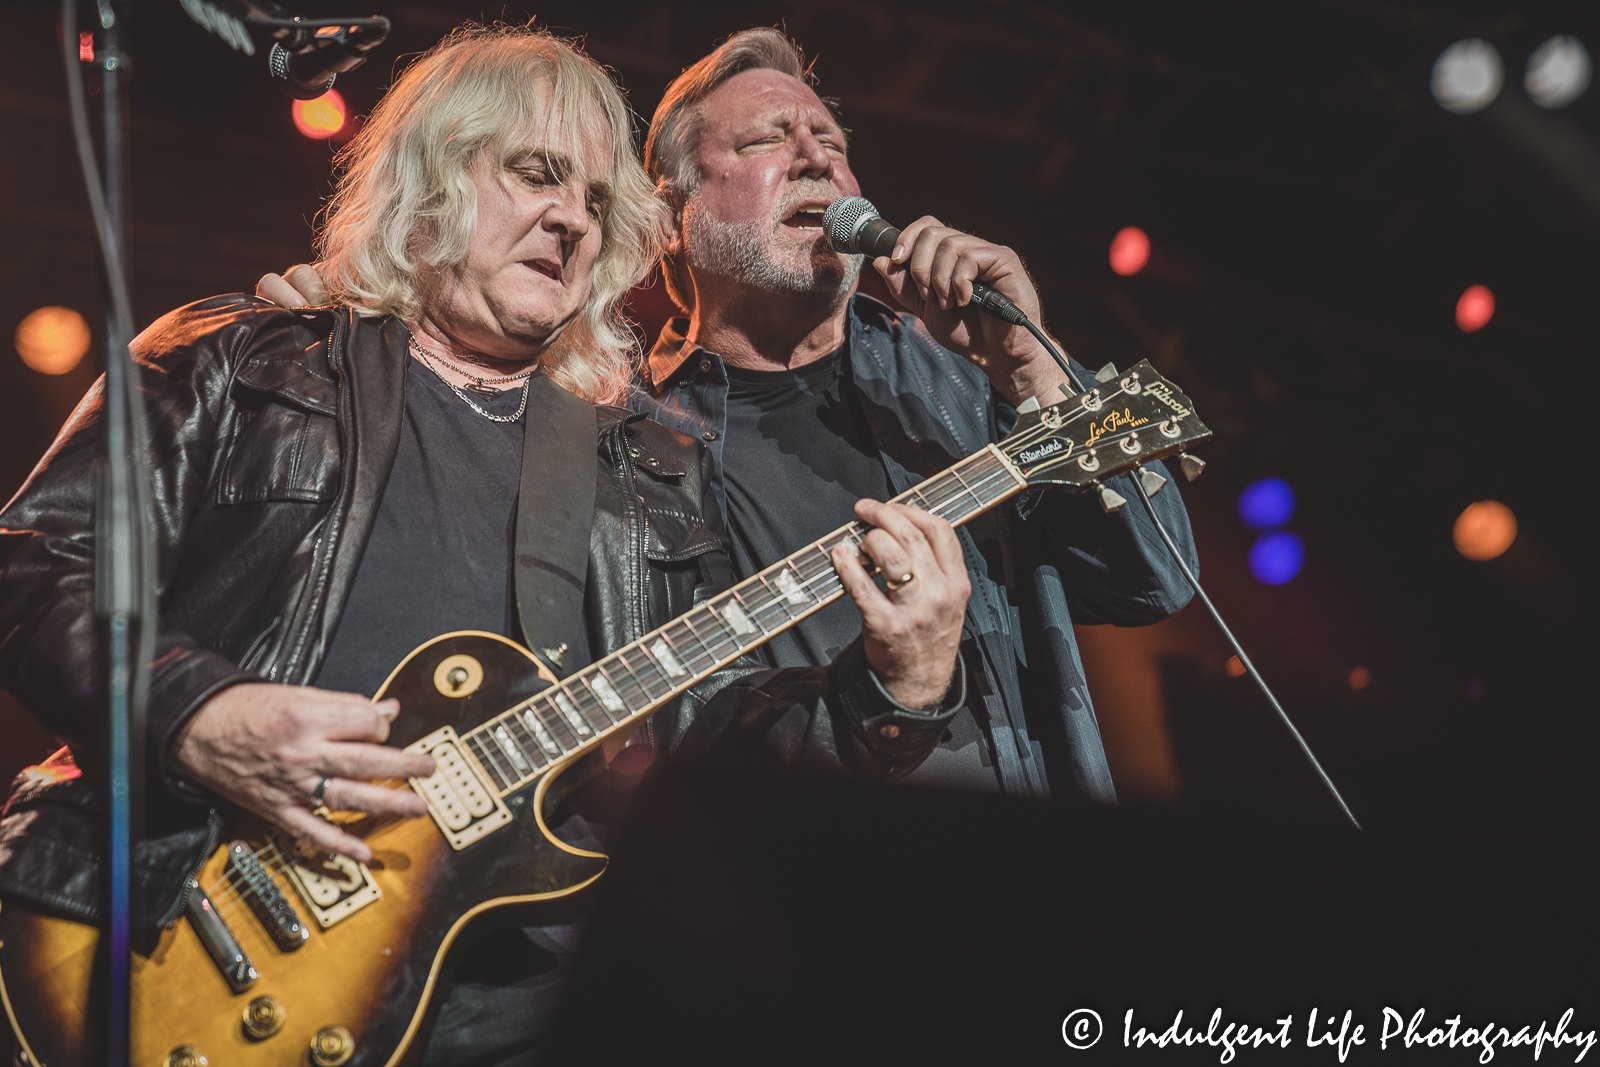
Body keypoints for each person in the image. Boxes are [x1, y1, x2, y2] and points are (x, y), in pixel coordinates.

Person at [0, 25, 970, 1067]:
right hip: (178, 932)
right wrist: (199, 712)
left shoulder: (644, 463)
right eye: (534, 173)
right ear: (428, 179)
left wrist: (894, 691)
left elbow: (704, 747)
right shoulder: (243, 357)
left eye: (597, 200)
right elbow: (30, 566)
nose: (569, 217)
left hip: (518, 1010)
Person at [262, 28, 1201, 803]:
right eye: (766, 144)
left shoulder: (960, 380)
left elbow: (1151, 581)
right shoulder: (614, 436)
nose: (817, 161)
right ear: (670, 216)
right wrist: (362, 331)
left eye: (830, 141)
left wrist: (1031, 364)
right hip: (784, 916)